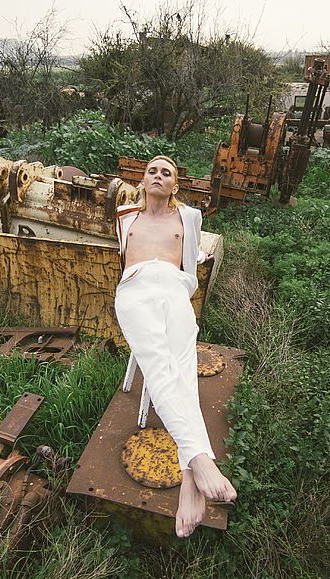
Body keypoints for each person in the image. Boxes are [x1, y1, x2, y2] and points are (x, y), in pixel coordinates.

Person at [114, 155, 237, 538]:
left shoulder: (189, 219)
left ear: (175, 186)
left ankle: (189, 482)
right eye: (152, 170)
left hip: (172, 288)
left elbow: (189, 272)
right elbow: (122, 263)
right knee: (158, 364)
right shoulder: (124, 216)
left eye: (166, 172)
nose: (157, 175)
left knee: (181, 370)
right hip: (134, 290)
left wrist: (175, 292)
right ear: (142, 179)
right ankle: (200, 461)